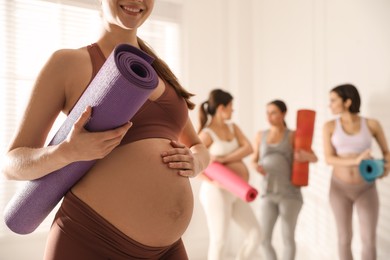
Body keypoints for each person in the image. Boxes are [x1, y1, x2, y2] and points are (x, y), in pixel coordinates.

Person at [1, 1, 210, 259]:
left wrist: (197, 161)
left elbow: (197, 145)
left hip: (166, 249)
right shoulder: (68, 63)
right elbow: (11, 164)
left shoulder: (156, 74)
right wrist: (66, 153)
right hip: (89, 239)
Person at [323, 83, 390, 260]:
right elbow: (329, 159)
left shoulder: (372, 124)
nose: (329, 105)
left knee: (369, 239)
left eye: (333, 100)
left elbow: (386, 152)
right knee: (344, 238)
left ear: (347, 102)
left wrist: (386, 168)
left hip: (366, 188)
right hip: (339, 188)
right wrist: (355, 160)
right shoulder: (329, 126)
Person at [197, 89, 262, 260]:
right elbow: (194, 165)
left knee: (255, 233)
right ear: (221, 108)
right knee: (220, 241)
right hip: (216, 192)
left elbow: (248, 148)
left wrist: (223, 159)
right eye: (231, 106)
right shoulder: (206, 134)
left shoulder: (233, 128)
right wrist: (215, 183)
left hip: (237, 191)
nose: (233, 110)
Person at [251, 100, 317, 260]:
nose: (269, 116)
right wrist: (256, 167)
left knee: (288, 238)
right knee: (264, 239)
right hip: (268, 193)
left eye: (273, 112)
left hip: (290, 194)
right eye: (267, 112)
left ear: (283, 113)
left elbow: (314, 157)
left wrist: (304, 156)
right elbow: (254, 159)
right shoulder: (261, 135)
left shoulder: (293, 135)